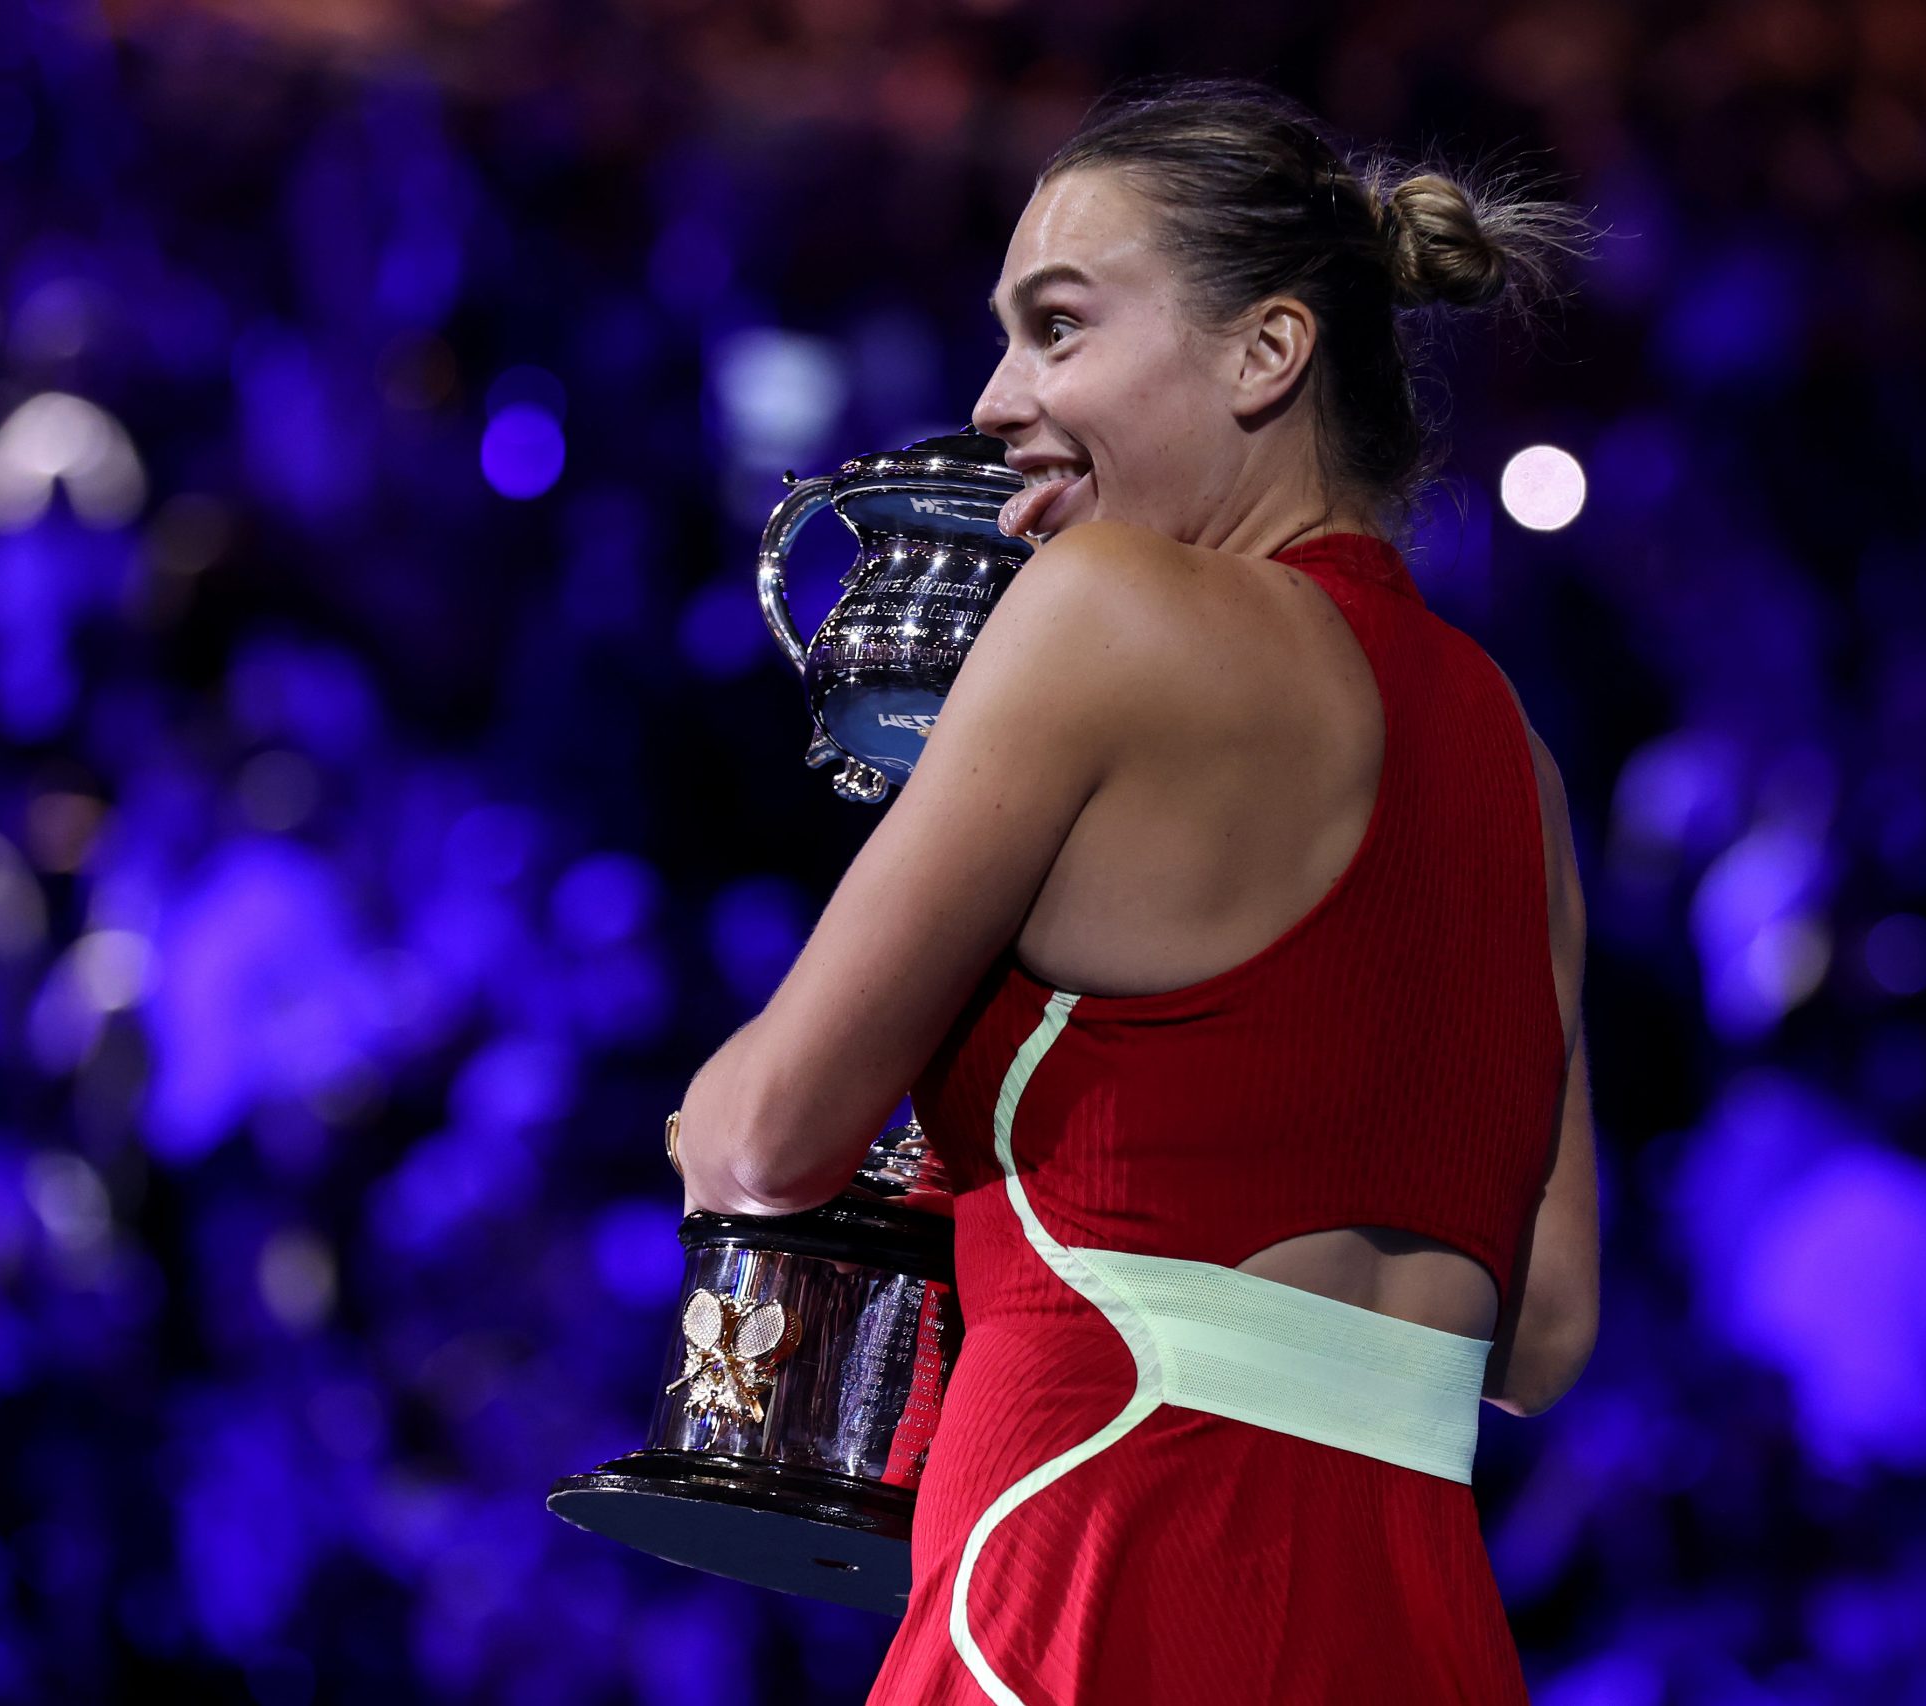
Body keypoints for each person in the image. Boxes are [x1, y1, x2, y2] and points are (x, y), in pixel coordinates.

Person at [671, 75, 1601, 1703]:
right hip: (1424, 1634)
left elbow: (764, 1139)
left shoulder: (1103, 608)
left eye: (1058, 327)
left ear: (1268, 353)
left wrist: (714, 1107)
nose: (996, 394)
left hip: (1085, 1590)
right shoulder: (1518, 759)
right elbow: (1545, 1331)